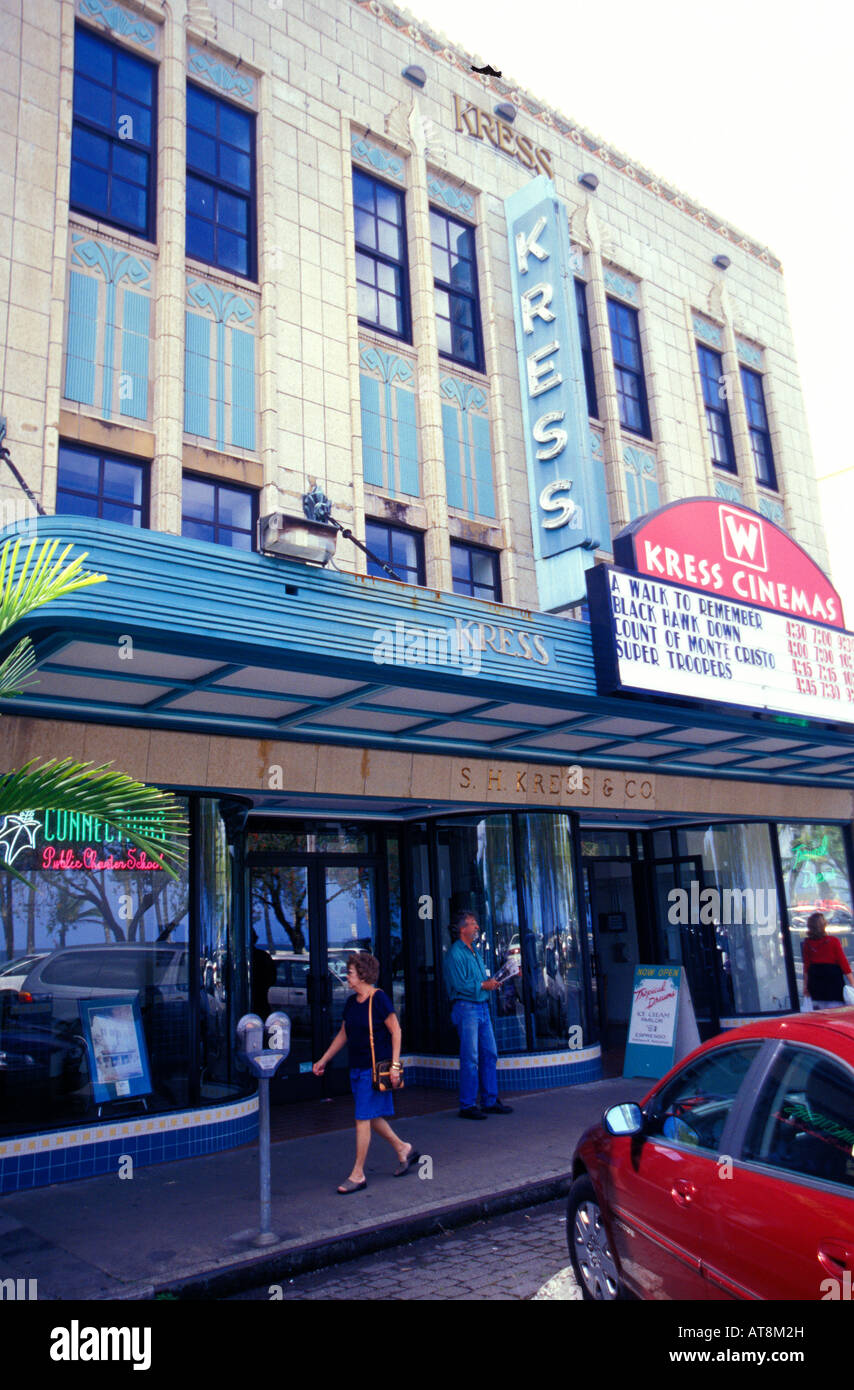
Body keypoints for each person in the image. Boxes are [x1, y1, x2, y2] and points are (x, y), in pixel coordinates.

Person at [312, 952, 418, 1193]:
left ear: (362, 975)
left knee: (362, 1119)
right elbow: (343, 1034)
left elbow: (396, 1031)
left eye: (349, 972)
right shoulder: (351, 1002)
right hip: (357, 1069)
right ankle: (403, 1148)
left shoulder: (378, 999)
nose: (346, 976)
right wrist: (324, 1060)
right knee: (370, 1116)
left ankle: (358, 1174)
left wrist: (394, 1065)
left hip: (373, 1071)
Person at [443, 909, 513, 1120]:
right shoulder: (455, 953)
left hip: (481, 1007)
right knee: (470, 1057)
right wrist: (485, 985)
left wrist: (493, 982)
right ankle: (467, 1104)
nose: (477, 927)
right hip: (467, 1009)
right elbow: (459, 984)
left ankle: (490, 1100)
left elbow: (479, 980)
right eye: (473, 924)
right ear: (462, 928)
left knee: (489, 1053)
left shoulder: (473, 951)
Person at [801, 912, 854, 1010]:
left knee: (819, 1011)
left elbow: (806, 967)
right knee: (836, 1011)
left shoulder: (807, 944)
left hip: (815, 982)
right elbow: (844, 964)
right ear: (824, 925)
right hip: (833, 981)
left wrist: (805, 987)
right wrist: (852, 982)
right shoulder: (833, 941)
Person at [250, 929, 276, 1019]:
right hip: (261, 1002)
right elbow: (272, 978)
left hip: (259, 1001)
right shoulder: (264, 956)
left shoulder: (238, 957)